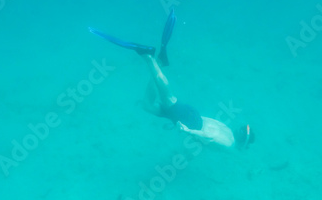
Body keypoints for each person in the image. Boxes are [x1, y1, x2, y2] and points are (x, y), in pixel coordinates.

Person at [89, 9, 255, 150]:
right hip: (190, 122)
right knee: (166, 95)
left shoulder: (227, 129)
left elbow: (210, 123)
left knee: (147, 105)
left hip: (193, 116)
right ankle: (147, 56)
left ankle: (159, 62)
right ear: (243, 143)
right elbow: (209, 137)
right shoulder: (229, 143)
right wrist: (186, 131)